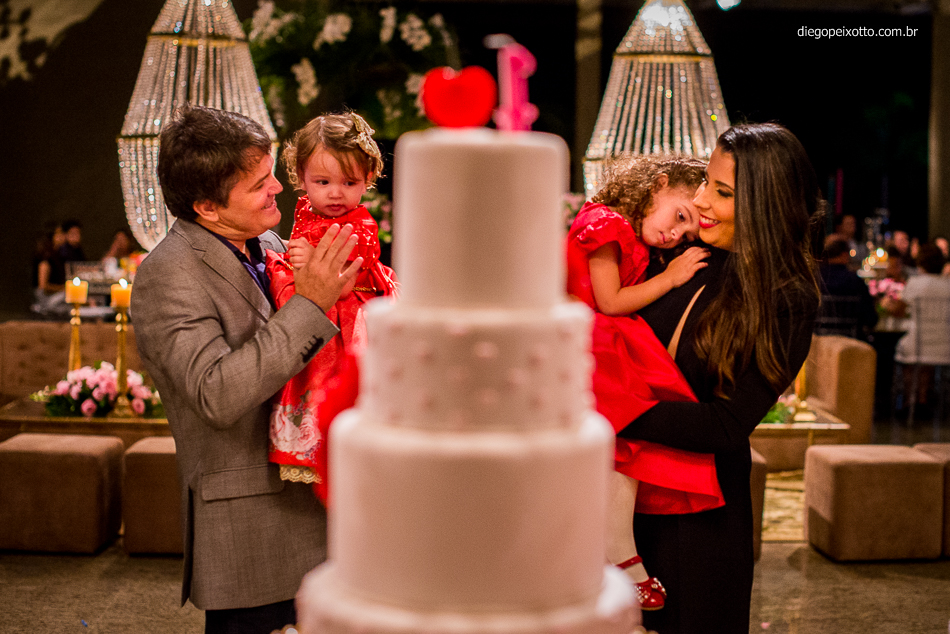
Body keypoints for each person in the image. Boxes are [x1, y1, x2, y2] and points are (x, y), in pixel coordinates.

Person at [130, 105, 362, 634]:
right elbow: (216, 394)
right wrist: (311, 304)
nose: (279, 188)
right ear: (207, 207)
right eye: (259, 185)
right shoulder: (168, 274)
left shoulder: (272, 243)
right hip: (251, 529)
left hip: (320, 515)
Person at [621, 123, 821, 633]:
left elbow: (727, 424)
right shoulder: (681, 255)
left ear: (766, 205)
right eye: (706, 182)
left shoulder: (786, 297)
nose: (701, 200)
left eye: (723, 192)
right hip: (620, 501)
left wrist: (615, 410)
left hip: (698, 522)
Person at [566, 154, 723, 612]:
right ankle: (618, 553)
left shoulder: (627, 232)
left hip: (605, 341)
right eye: (680, 217)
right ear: (657, 185)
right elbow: (611, 301)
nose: (676, 235)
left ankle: (614, 550)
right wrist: (672, 277)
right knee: (632, 433)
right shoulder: (606, 223)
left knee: (631, 445)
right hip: (590, 341)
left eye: (686, 234)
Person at [267, 113, 397, 498]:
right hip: (313, 312)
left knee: (336, 382)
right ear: (301, 177)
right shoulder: (305, 213)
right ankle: (309, 444)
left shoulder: (361, 225)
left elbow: (346, 281)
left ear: (367, 180)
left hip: (347, 317)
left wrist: (309, 263)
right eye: (323, 182)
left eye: (349, 183)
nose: (336, 193)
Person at [816, 235, 878, 339]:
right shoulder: (855, 281)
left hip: (818, 341)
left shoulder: (815, 280)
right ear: (845, 255)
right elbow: (871, 319)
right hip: (850, 342)